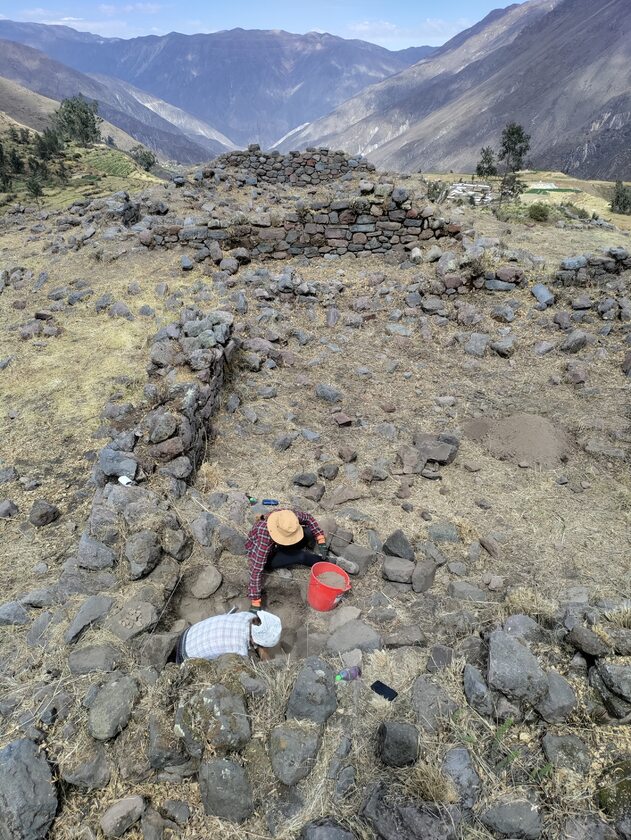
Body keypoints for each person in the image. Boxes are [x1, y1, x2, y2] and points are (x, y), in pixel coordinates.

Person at [246, 508, 328, 610]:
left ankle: (311, 549)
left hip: (277, 543)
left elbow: (308, 518)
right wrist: (255, 602)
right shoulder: (264, 535)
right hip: (268, 556)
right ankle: (326, 562)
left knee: (308, 531)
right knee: (300, 556)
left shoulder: (288, 517)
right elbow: (256, 570)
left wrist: (321, 539)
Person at [175, 609, 282, 664]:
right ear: (255, 642)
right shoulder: (239, 650)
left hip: (187, 633)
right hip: (185, 656)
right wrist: (264, 658)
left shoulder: (248, 616)